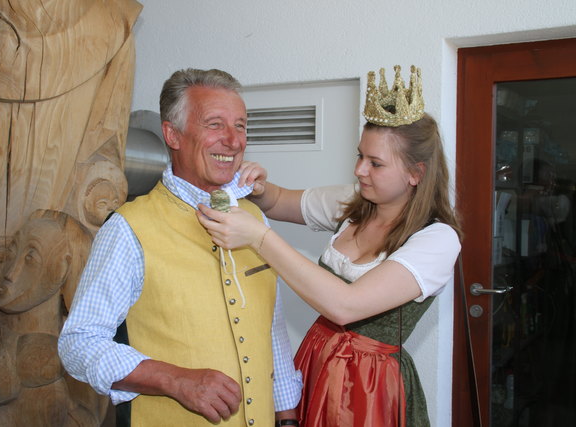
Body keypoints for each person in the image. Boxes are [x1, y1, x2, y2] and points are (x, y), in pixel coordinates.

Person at [197, 65, 462, 426]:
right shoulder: (353, 202)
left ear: (415, 173)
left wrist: (259, 238)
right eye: (360, 155)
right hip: (318, 361)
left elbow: (345, 305)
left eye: (376, 164)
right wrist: (257, 187)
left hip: (372, 388)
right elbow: (279, 201)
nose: (359, 170)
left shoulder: (437, 239)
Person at [58, 68, 302, 427]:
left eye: (240, 126)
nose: (233, 141)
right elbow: (78, 343)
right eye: (215, 124)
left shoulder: (255, 218)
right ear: (172, 134)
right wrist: (174, 379)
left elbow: (272, 329)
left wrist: (287, 416)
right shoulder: (129, 228)